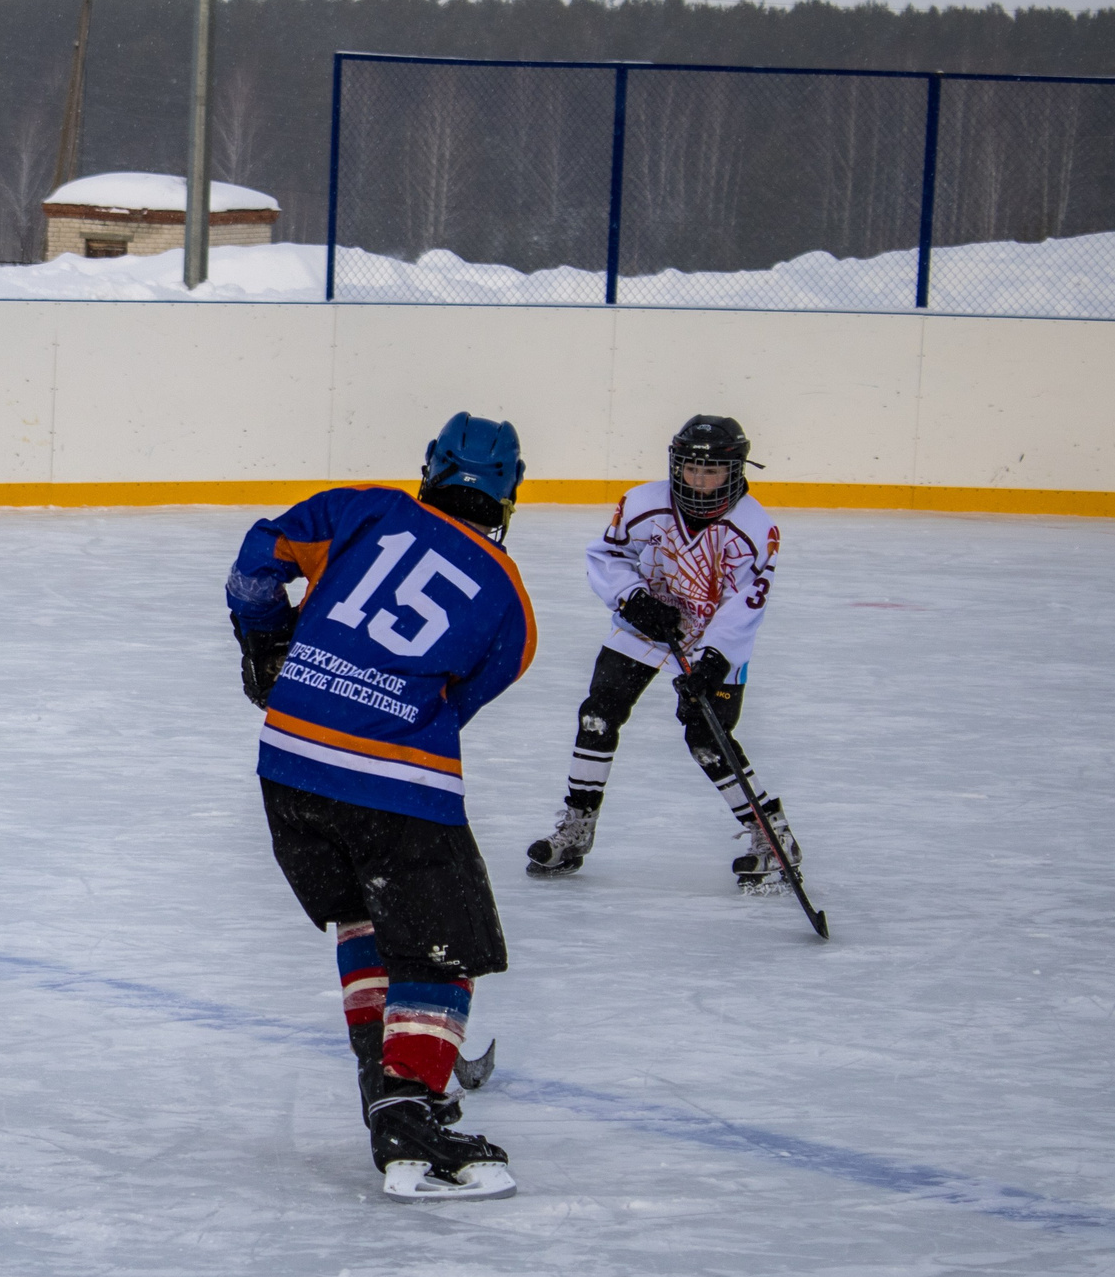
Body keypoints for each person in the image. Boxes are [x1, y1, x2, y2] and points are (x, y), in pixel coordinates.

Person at [226, 413, 537, 1202]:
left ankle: (386, 1085)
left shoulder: (360, 507)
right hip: (393, 789)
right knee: (443, 950)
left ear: (429, 468)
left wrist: (269, 645)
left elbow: (255, 566)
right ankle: (408, 1111)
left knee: (365, 919)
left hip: (288, 768)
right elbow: (457, 702)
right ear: (510, 491)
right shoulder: (510, 602)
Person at [524, 415, 797, 892]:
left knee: (706, 738)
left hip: (713, 638)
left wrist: (714, 659)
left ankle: (771, 836)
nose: (699, 480)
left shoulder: (756, 529)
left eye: (711, 472)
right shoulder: (642, 502)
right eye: (691, 468)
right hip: (644, 627)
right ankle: (576, 827)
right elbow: (607, 557)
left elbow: (746, 605)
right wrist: (632, 598)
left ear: (734, 472)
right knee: (598, 714)